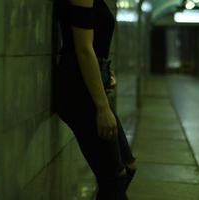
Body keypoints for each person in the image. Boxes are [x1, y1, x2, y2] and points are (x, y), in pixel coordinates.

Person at [53, 0, 137, 199]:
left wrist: (106, 71)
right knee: (115, 179)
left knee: (127, 167)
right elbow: (82, 48)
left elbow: (95, 47)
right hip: (78, 90)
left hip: (86, 85)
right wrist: (102, 107)